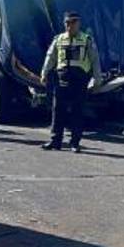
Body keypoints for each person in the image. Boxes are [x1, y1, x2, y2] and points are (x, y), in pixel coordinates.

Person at [40, 11, 101, 153]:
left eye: (73, 22)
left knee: (77, 111)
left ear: (79, 23)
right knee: (57, 110)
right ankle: (55, 141)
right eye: (67, 23)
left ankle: (75, 142)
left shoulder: (87, 40)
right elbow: (51, 57)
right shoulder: (59, 39)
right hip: (62, 77)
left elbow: (94, 60)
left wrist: (97, 78)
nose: (70, 26)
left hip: (79, 79)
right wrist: (44, 73)